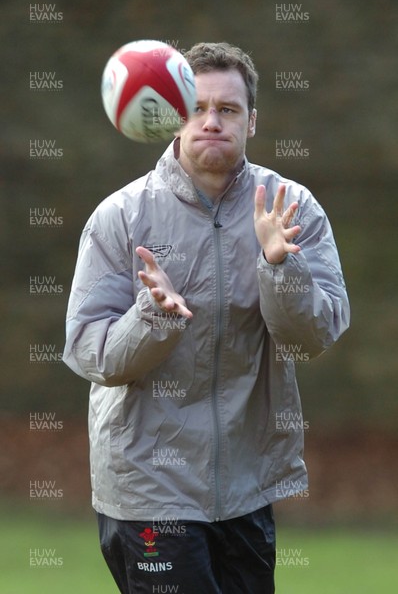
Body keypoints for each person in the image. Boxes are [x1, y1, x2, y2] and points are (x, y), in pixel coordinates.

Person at [63, 42, 350, 594]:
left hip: (246, 487)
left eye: (229, 110)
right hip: (149, 489)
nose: (212, 121)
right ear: (175, 114)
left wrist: (279, 265)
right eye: (198, 107)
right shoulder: (120, 217)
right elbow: (88, 351)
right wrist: (153, 317)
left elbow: (314, 337)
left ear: (252, 121)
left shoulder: (293, 209)